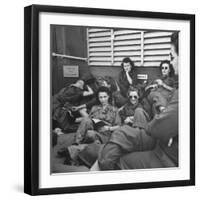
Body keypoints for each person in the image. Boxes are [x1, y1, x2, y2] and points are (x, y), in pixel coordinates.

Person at [98, 32, 179, 170]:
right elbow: (142, 94)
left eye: (172, 57)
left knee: (121, 145)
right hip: (156, 126)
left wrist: (160, 116)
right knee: (125, 128)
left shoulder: (174, 83)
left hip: (168, 151)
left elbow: (161, 124)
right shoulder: (124, 78)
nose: (171, 63)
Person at [57, 86, 121, 167]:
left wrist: (109, 128)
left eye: (105, 97)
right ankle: (76, 143)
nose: (103, 99)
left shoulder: (114, 110)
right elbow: (89, 121)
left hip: (105, 134)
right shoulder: (95, 108)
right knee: (87, 122)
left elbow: (119, 126)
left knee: (90, 134)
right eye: (100, 97)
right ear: (98, 98)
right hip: (94, 129)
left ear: (108, 97)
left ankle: (72, 150)